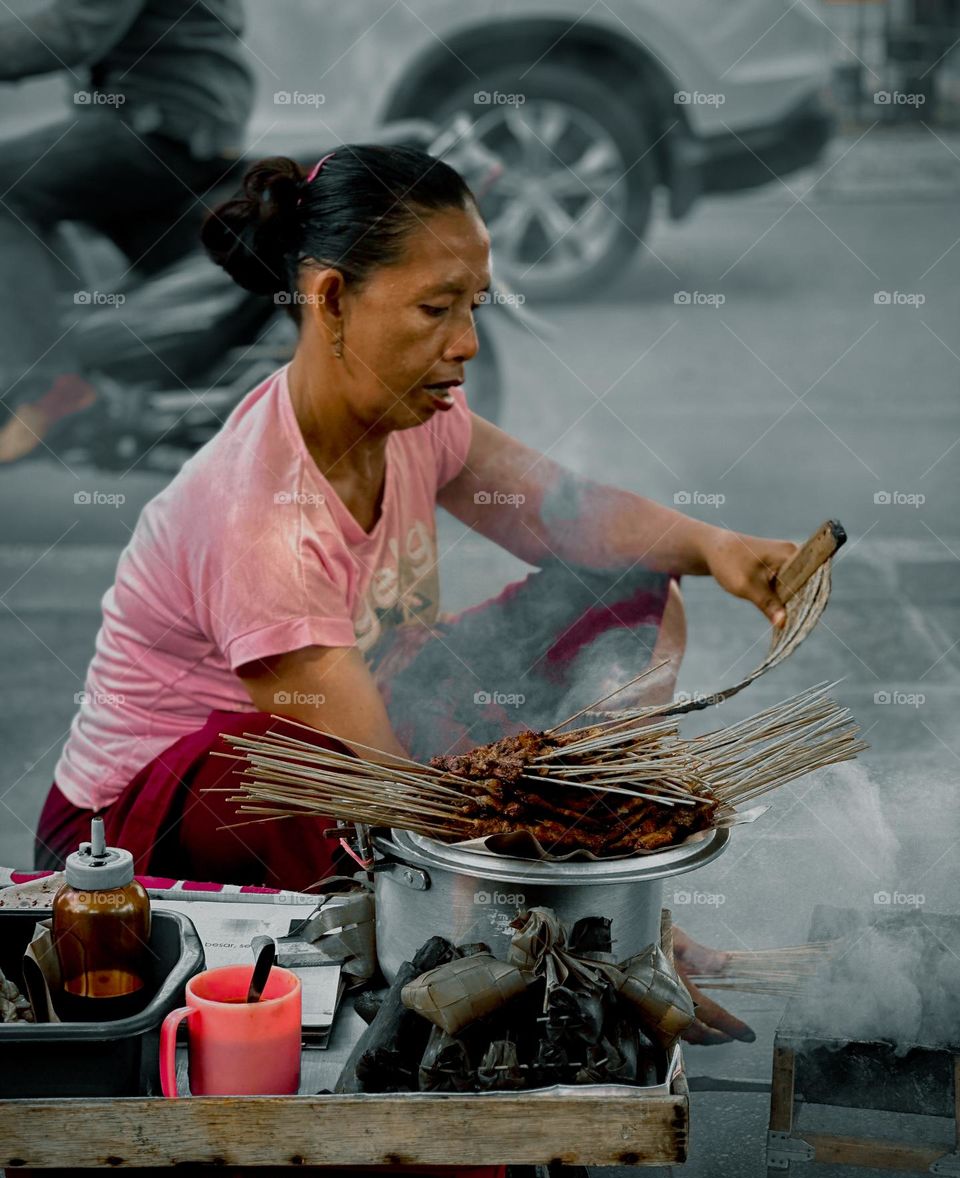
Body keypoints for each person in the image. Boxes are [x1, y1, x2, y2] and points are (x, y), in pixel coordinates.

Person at [34, 144, 796, 1043]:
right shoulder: (259, 513)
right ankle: (531, 947)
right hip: (131, 840)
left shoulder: (413, 419)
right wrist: (615, 938)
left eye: (473, 306)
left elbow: (567, 514)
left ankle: (584, 862)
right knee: (317, 773)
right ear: (331, 300)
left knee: (629, 596)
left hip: (362, 732)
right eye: (437, 309)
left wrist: (716, 546)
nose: (465, 342)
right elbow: (390, 791)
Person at [0, 0, 254, 465]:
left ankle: (49, 390)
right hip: (188, 125)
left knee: (6, 189)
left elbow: (72, 31)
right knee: (46, 198)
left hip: (158, 126)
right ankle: (87, 362)